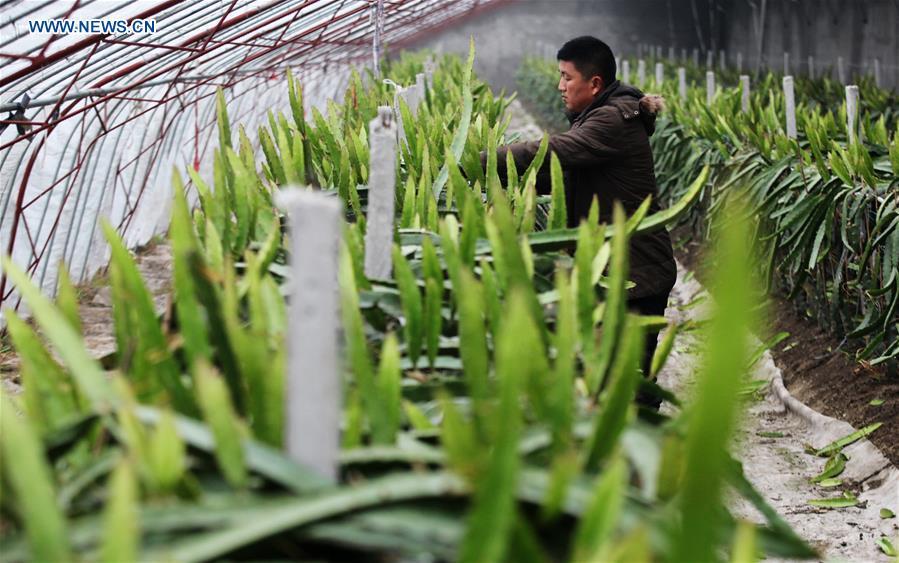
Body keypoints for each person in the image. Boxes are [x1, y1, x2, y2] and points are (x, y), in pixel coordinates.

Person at [484, 36, 676, 405]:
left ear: (595, 84)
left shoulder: (612, 119)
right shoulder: (601, 116)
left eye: (566, 77)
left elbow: (555, 152)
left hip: (636, 274)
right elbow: (559, 173)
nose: (559, 86)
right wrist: (501, 183)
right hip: (619, 269)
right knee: (608, 377)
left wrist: (477, 161)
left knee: (629, 386)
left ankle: (638, 454)